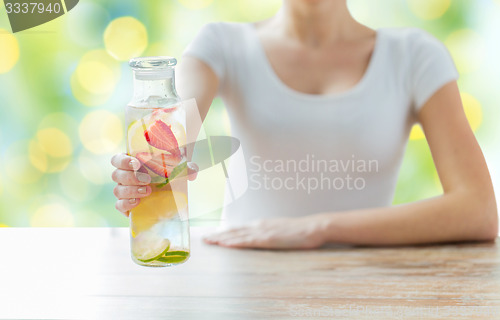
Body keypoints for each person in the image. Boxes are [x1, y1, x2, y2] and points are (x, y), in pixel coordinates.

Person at [111, 0, 498, 249]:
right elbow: (167, 146)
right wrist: (141, 172)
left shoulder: (414, 55)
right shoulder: (222, 43)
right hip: (244, 278)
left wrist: (319, 227)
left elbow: (478, 210)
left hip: (365, 285)